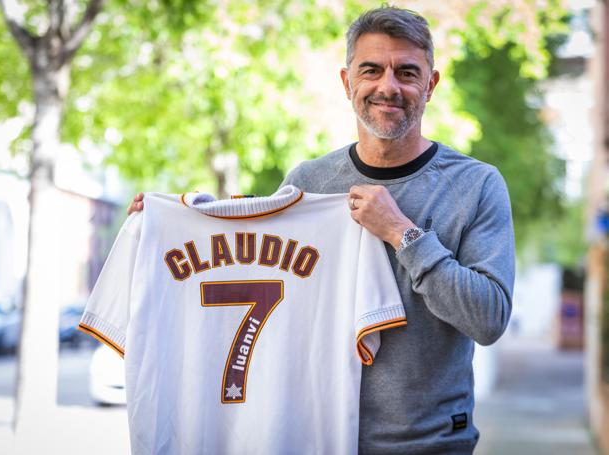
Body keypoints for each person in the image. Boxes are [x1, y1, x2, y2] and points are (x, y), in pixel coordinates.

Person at [126, 5, 514, 454]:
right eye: (371, 70)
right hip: (315, 438)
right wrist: (183, 223)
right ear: (348, 83)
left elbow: (488, 319)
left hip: (429, 444)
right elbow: (258, 276)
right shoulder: (308, 182)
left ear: (431, 85)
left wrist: (402, 233)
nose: (388, 86)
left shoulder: (477, 185)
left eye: (407, 72)